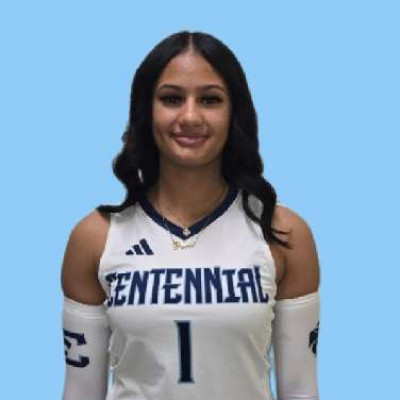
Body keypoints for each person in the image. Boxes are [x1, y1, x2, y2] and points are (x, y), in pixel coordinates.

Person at [61, 30, 321, 400]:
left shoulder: (283, 234)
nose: (190, 116)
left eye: (210, 100)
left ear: (234, 112)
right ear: (146, 110)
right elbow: (80, 393)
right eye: (171, 99)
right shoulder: (95, 238)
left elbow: (300, 392)